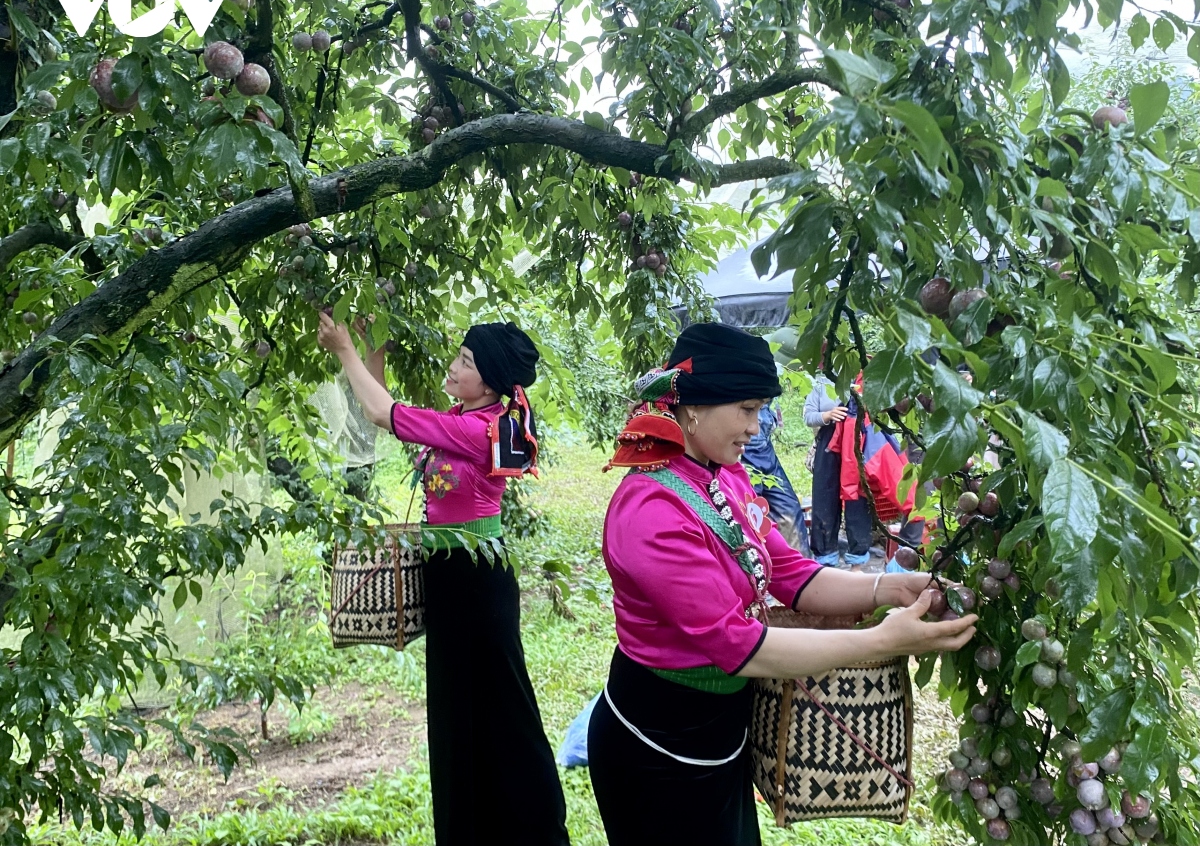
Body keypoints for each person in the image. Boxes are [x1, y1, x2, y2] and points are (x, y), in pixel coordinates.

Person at [587, 322, 976, 846]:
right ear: (695, 406)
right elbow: (737, 645)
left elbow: (790, 573)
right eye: (747, 409)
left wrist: (886, 588)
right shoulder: (650, 509)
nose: (758, 425)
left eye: (760, 409)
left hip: (721, 731)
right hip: (657, 743)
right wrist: (882, 641)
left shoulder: (725, 476)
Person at [316, 312, 569, 846]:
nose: (453, 368)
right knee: (466, 711)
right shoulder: (471, 418)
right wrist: (373, 346)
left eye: (466, 362)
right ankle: (485, 826)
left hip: (473, 577)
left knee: (496, 707)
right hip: (459, 575)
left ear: (493, 381)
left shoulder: (475, 429)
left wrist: (344, 350)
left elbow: (382, 414)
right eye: (459, 356)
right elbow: (389, 410)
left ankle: (531, 826)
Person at [805, 372, 873, 567]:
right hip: (828, 443)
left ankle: (857, 563)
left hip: (858, 443)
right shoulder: (822, 382)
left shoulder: (863, 378)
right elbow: (808, 415)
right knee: (824, 498)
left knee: (858, 499)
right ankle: (826, 560)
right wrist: (828, 415)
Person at [740, 396, 807, 552]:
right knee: (748, 517)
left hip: (764, 445)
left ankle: (803, 572)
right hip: (740, 447)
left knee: (790, 512)